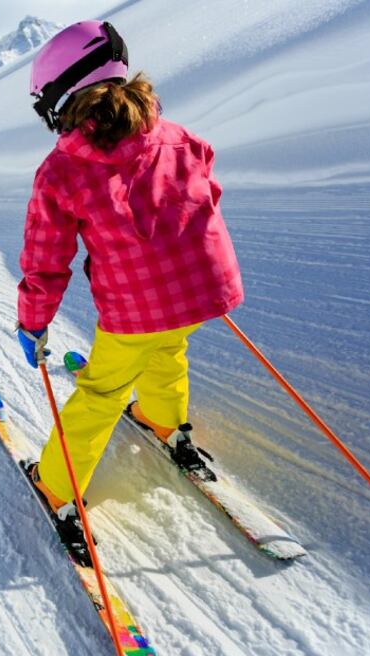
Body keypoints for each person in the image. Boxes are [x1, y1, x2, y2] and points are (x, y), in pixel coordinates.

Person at [14, 21, 244, 553]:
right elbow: (206, 195)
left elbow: (46, 261)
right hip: (202, 292)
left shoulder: (63, 169)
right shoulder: (180, 137)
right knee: (169, 346)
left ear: (61, 95)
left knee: (101, 392)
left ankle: (56, 484)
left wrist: (33, 320)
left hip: (136, 309)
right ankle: (165, 422)